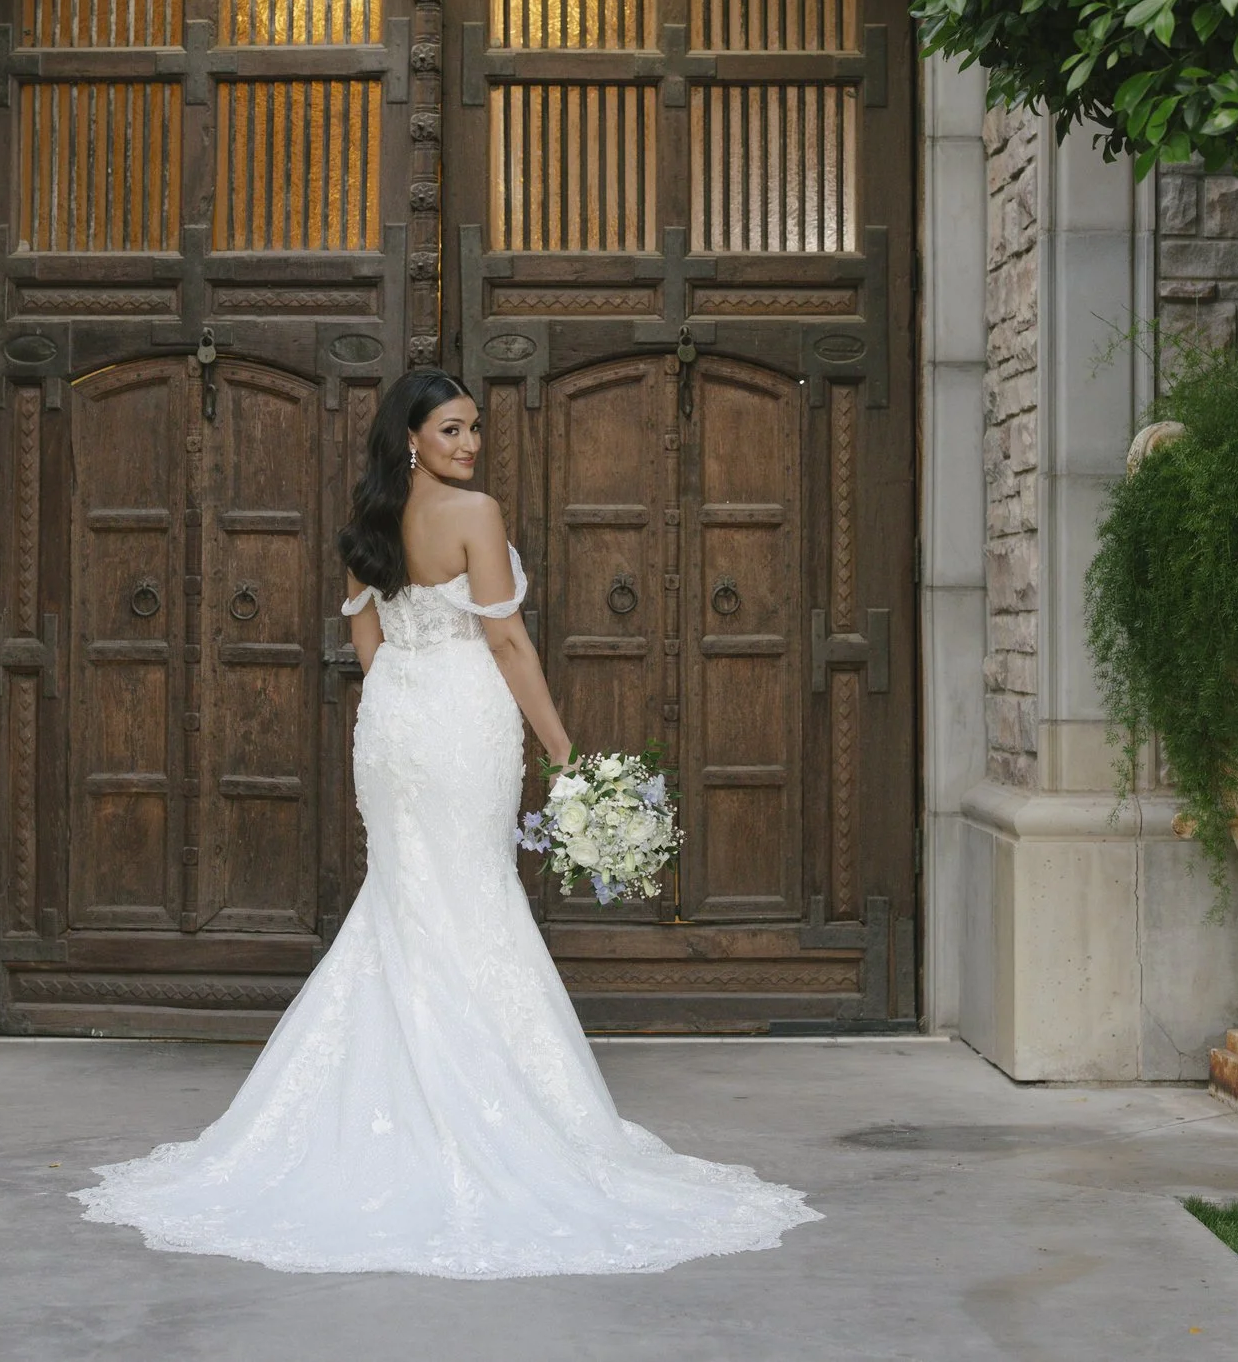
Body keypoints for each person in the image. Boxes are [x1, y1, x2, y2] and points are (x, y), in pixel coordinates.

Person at [74, 368, 819, 1278]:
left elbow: (366, 639)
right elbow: (506, 640)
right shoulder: (478, 514)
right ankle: (478, 1100)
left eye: (474, 430)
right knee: (467, 894)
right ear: (412, 437)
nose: (469, 444)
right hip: (463, 716)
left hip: (393, 722)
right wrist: (562, 749)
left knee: (410, 897)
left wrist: (399, 697)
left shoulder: (368, 524)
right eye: (454, 429)